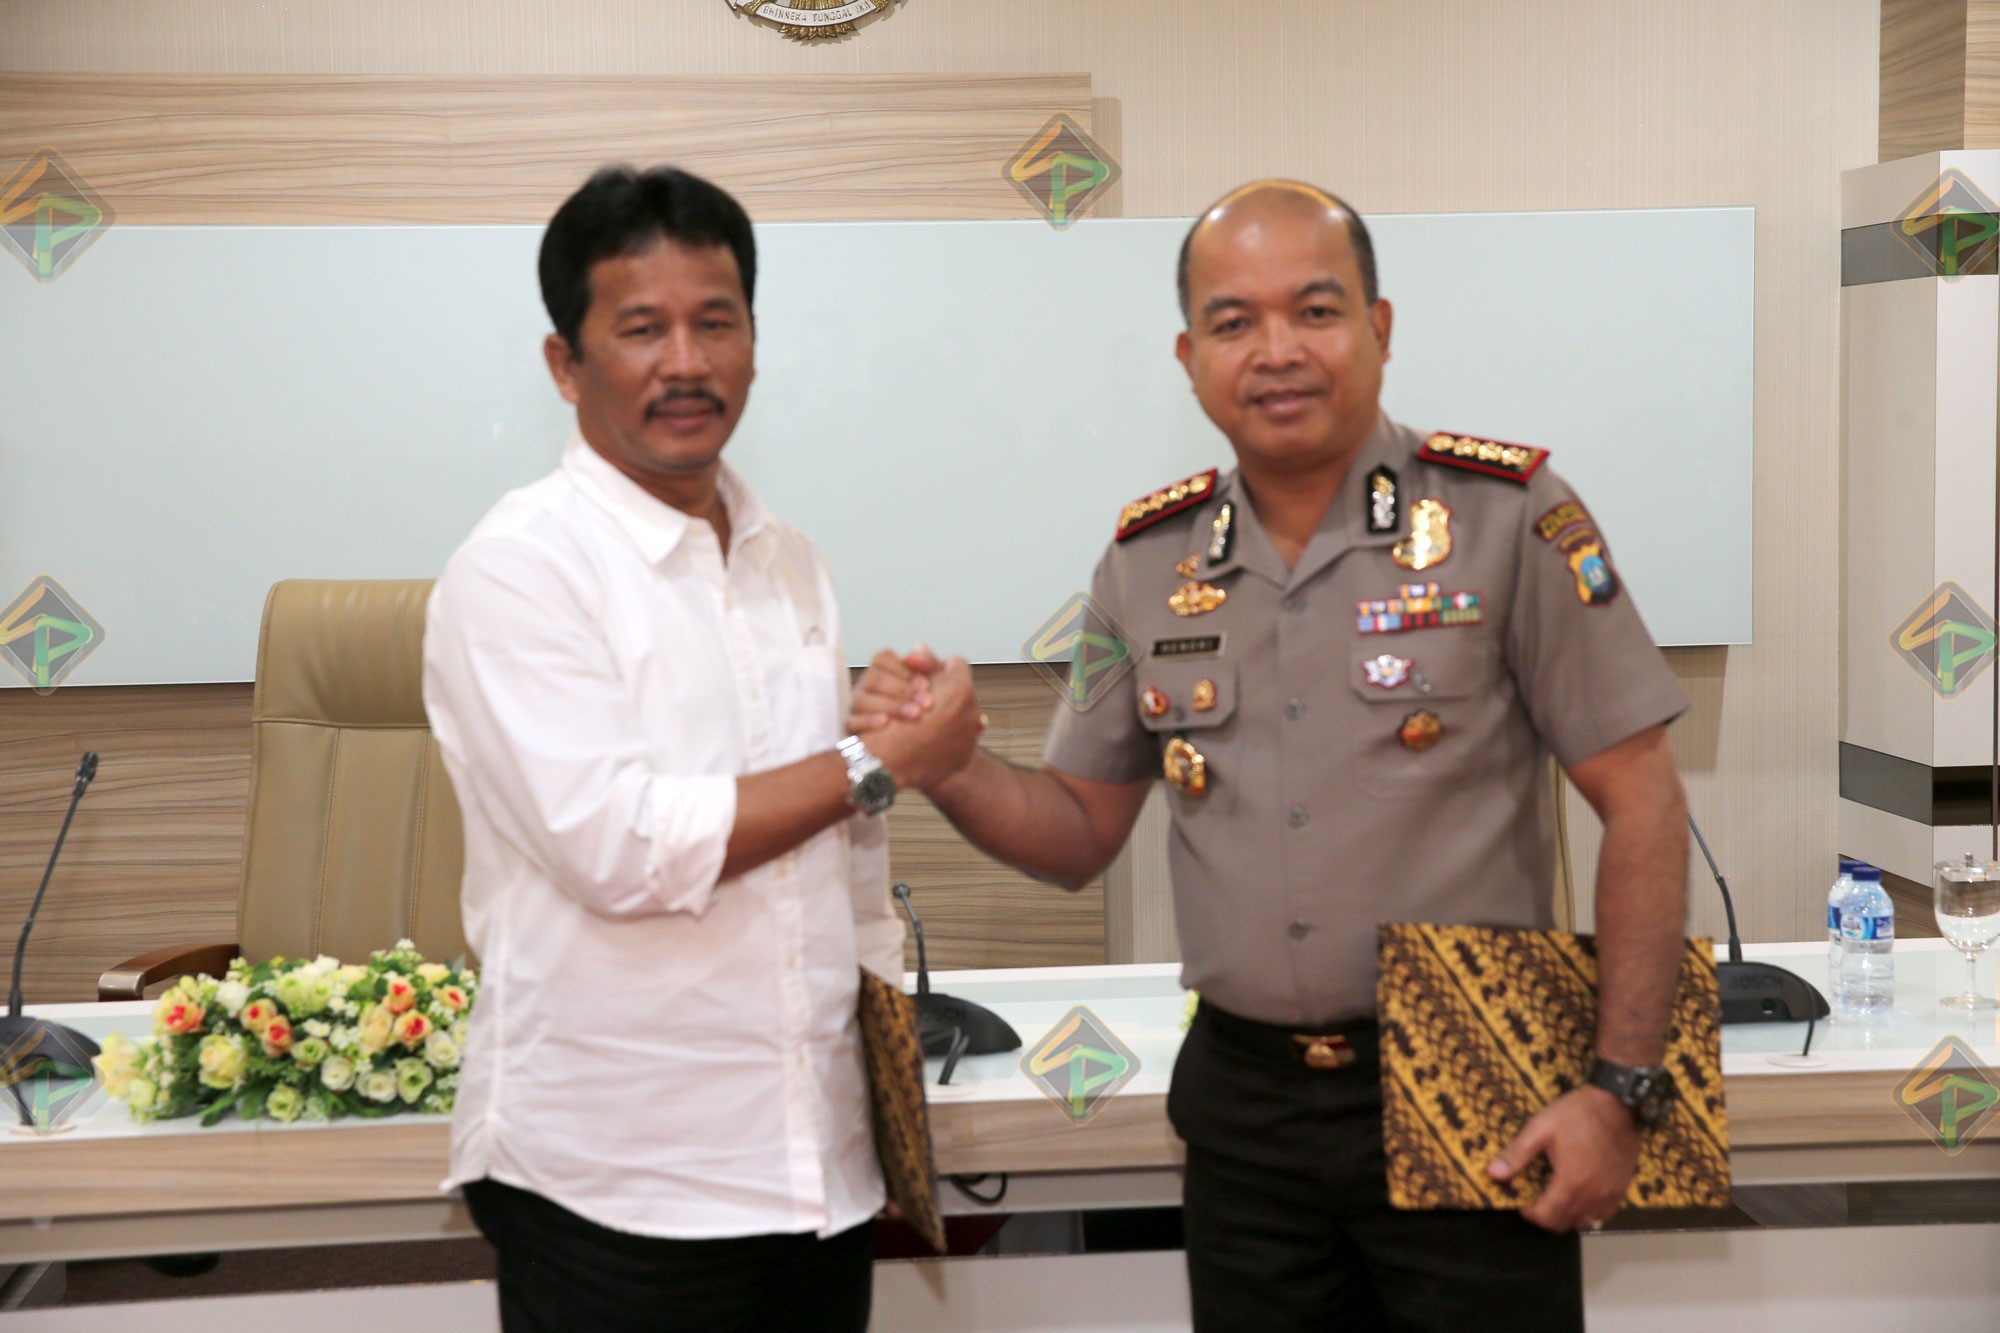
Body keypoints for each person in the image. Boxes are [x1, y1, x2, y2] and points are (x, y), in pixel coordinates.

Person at [852, 180, 1691, 1331]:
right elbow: (1075, 833)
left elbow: (1640, 799)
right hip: (1241, 1105)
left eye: (1315, 310)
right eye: (1233, 322)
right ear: (1189, 358)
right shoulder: (1142, 563)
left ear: (1379, 328)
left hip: (1469, 1070)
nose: (1276, 350)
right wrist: (947, 763)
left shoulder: (1510, 516)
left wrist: (1620, 1088)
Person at [422, 164, 980, 1333]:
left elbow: (824, 844)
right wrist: (875, 765)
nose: (686, 362)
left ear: (754, 345)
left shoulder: (789, 559)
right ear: (564, 363)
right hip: (617, 1185)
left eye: (715, 322)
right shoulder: (520, 568)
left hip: (813, 1169)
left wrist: (866, 732)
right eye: (641, 329)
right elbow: (621, 848)